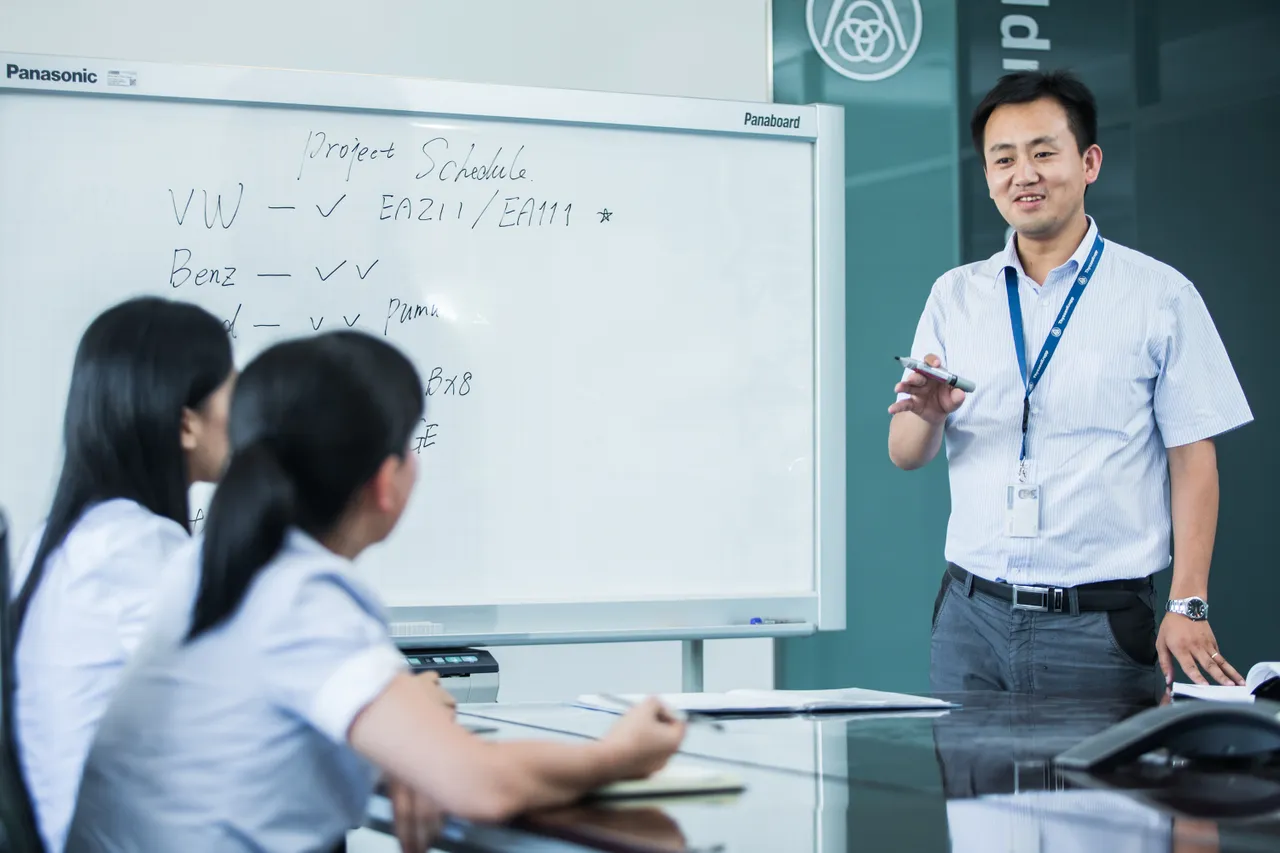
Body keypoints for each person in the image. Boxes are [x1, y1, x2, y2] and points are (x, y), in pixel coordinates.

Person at [65, 331, 684, 853]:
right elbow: (480, 787)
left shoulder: (214, 567)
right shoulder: (298, 594)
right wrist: (620, 755)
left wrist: (411, 757)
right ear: (387, 481)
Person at [888, 70, 1252, 704]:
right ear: (988, 178)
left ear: (1089, 162)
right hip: (970, 622)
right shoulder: (955, 295)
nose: (1022, 173)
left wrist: (1188, 601)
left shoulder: (1160, 295)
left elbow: (1194, 459)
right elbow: (905, 452)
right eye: (1003, 159)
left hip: (1101, 626)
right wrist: (926, 414)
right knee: (976, 805)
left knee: (1106, 805)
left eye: (1043, 152)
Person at [10, 296, 234, 853]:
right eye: (234, 388)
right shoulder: (136, 548)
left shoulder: (68, 539)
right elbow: (241, 719)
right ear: (186, 422)